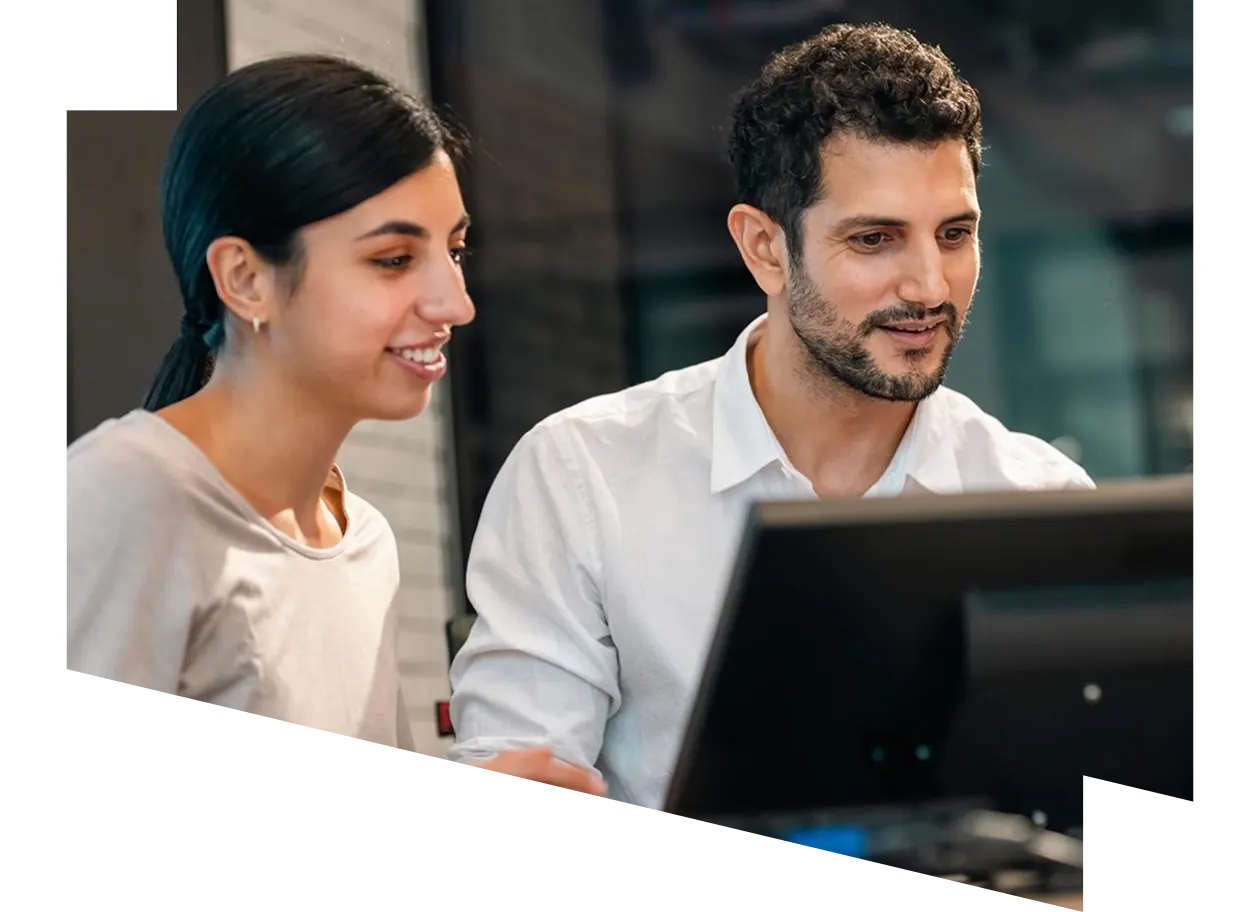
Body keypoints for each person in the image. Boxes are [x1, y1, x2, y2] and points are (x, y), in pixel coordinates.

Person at [447, 23, 1094, 808]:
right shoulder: (585, 474)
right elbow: (524, 761)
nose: (929, 285)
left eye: (955, 235)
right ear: (764, 249)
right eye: (875, 239)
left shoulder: (1039, 499)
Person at [63, 55, 475, 753]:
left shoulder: (363, 541)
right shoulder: (119, 496)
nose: (455, 305)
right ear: (245, 278)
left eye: (456, 249)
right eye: (394, 260)